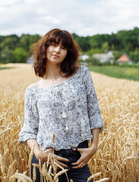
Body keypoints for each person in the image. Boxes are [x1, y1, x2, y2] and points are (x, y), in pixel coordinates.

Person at [19, 28, 104, 182]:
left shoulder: (81, 74)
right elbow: (28, 131)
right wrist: (38, 154)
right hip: (46, 161)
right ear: (44, 48)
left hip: (77, 159)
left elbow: (93, 111)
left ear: (68, 53)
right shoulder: (33, 90)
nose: (57, 50)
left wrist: (93, 146)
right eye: (53, 45)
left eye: (63, 47)